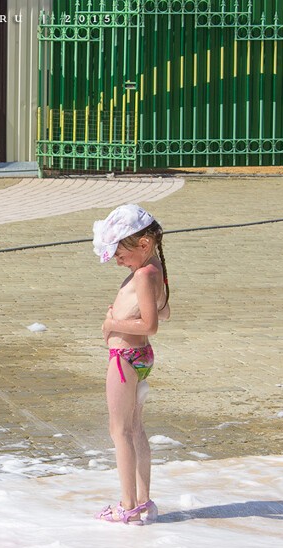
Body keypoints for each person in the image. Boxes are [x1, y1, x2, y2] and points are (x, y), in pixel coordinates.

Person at [92, 204, 170, 525]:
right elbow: (164, 312)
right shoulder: (154, 270)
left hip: (125, 359)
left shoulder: (142, 275)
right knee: (135, 429)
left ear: (143, 244)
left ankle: (127, 507)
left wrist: (113, 324)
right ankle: (143, 500)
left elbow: (151, 325)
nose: (118, 261)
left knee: (120, 431)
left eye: (121, 254)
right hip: (140, 358)